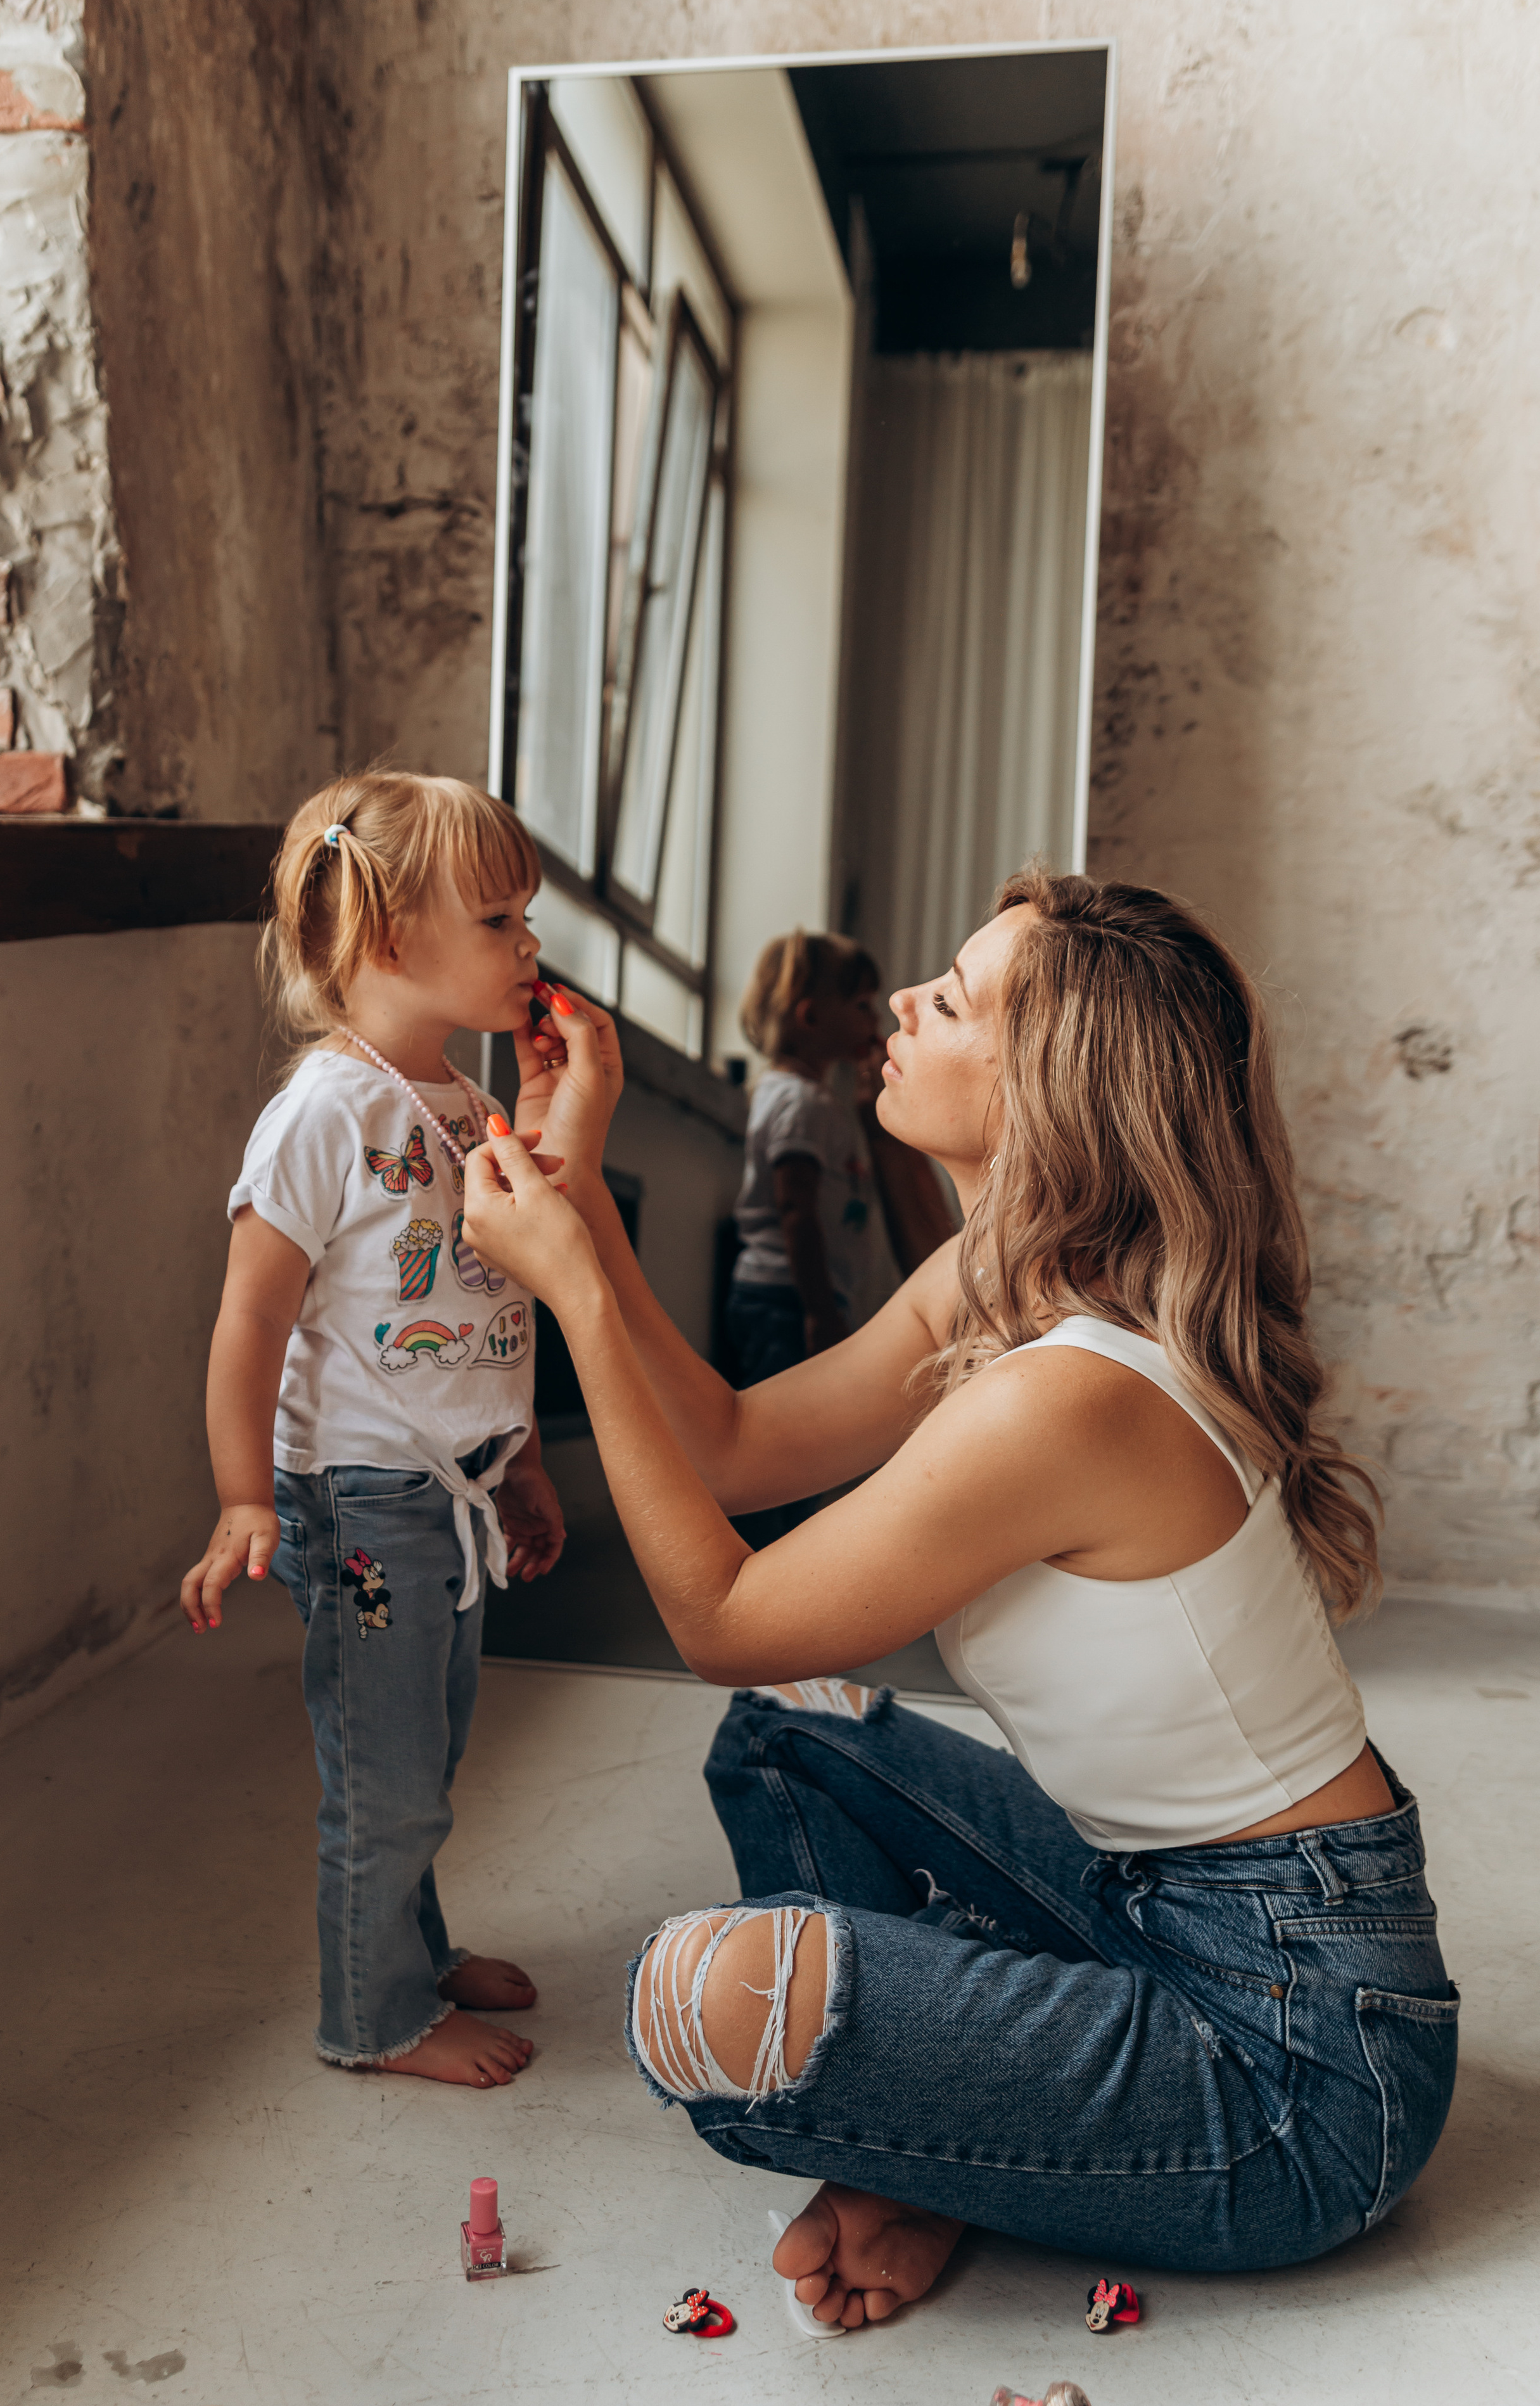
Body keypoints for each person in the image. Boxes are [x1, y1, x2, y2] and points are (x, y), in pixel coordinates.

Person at [457, 867, 1459, 2323]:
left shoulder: (1069, 1392)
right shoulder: (996, 1275)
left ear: (1051, 1085)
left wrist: (574, 1299)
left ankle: (941, 2127)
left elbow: (715, 1613)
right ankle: (959, 2110)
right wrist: (577, 1189)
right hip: (1144, 1898)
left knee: (696, 1996)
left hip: (1301, 2063)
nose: (908, 1001)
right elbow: (733, 1447)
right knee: (784, 1729)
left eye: (959, 994)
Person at [180, 769, 593, 2090]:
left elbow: (495, 1304)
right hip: (365, 1499)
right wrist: (249, 1496)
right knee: (387, 1770)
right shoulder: (322, 1114)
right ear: (390, 941)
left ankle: (410, 1952)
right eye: (500, 920)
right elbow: (248, 1323)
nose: (529, 949)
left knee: (426, 1744)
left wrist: (517, 1462)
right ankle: (375, 2018)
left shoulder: (460, 1106)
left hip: (449, 1488)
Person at [728, 929, 953, 1388]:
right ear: (811, 1017)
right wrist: (820, 1313)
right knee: (789, 1430)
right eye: (863, 1006)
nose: (876, 1019)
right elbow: (797, 1211)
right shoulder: (799, 1103)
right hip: (786, 1301)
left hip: (800, 1297)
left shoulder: (813, 1102)